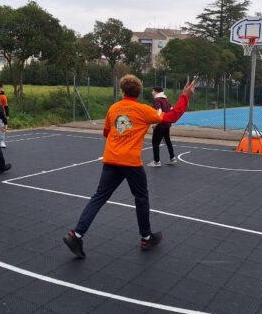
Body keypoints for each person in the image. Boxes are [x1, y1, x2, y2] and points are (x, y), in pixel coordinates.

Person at [63, 75, 196, 259]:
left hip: (111, 159)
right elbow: (171, 116)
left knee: (99, 197)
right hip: (130, 162)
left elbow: (106, 133)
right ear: (139, 92)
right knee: (141, 197)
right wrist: (185, 96)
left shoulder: (113, 108)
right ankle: (145, 237)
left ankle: (76, 235)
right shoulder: (143, 110)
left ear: (122, 90)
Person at [146, 86, 176, 167]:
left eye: (153, 91)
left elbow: (159, 111)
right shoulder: (167, 99)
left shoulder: (157, 100)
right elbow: (171, 109)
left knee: (155, 143)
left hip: (160, 125)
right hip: (167, 124)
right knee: (167, 141)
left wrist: (155, 123)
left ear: (156, 92)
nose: (152, 92)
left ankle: (156, 161)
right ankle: (172, 158)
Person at [0, 82, 9, 148]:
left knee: (2, 127)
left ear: (1, 88)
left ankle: (2, 141)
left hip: (0, 114)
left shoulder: (3, 96)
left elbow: (6, 107)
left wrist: (7, 115)